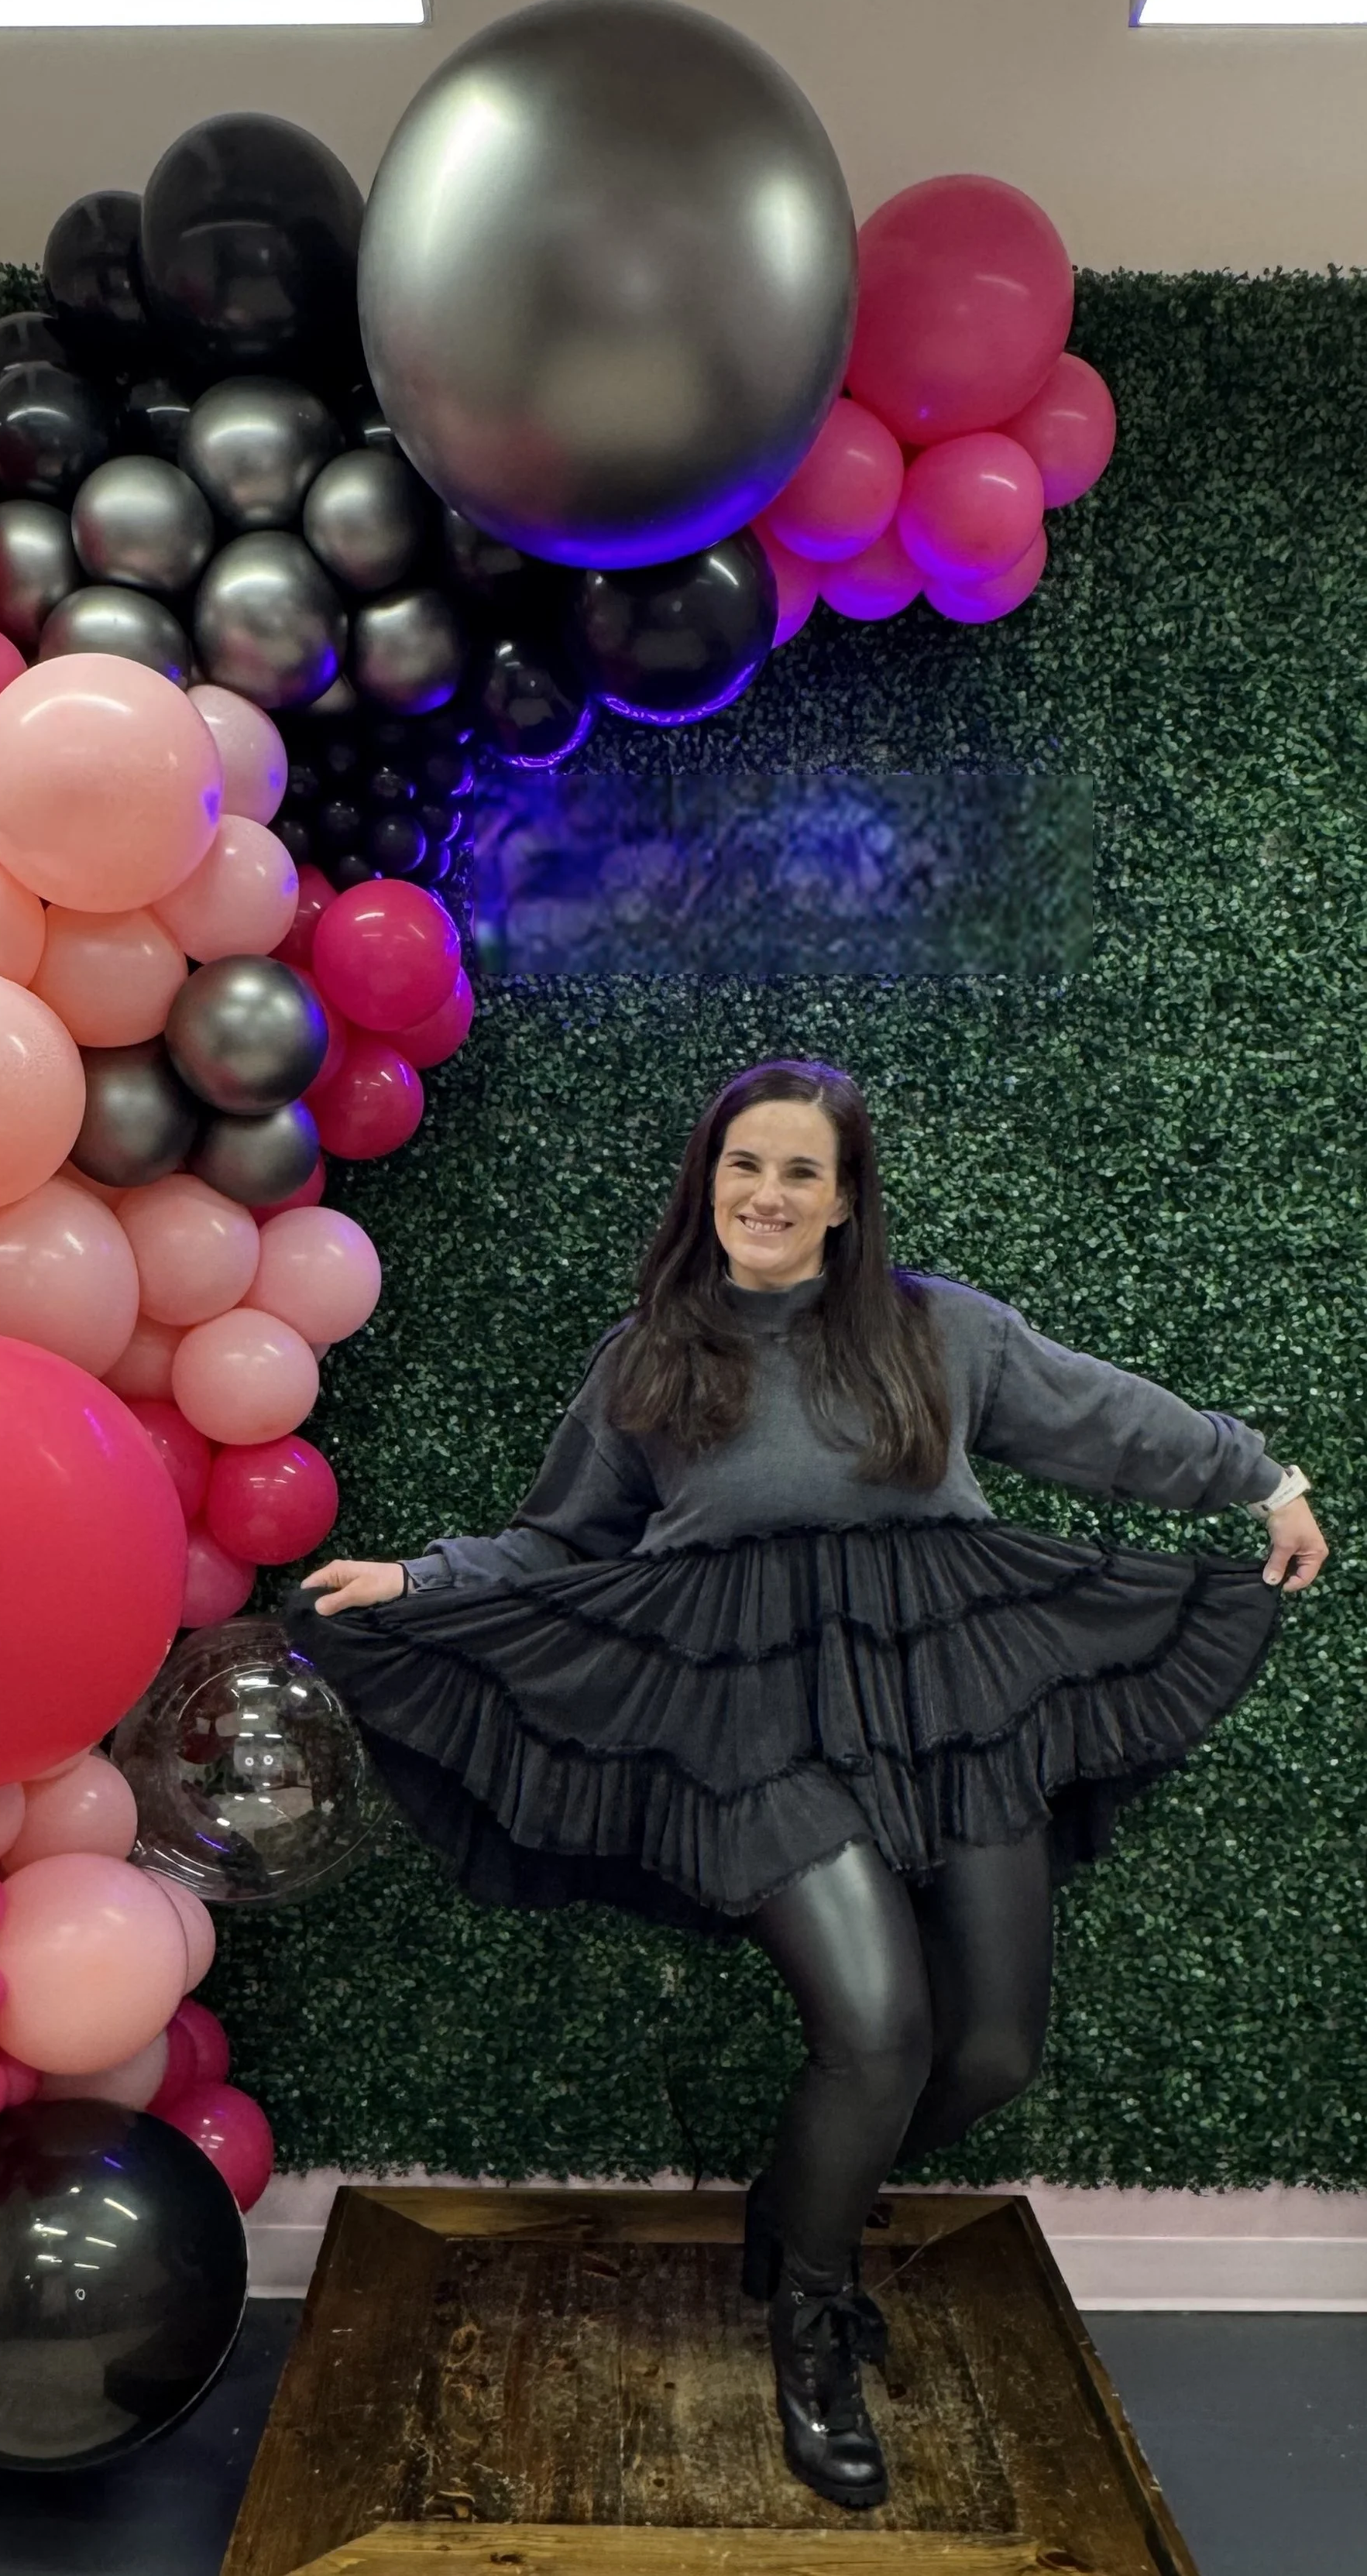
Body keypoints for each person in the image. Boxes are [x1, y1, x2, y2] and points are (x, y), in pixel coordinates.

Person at [283, 1057, 1326, 2513]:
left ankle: (794, 2213)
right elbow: (559, 1540)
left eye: (799, 1174)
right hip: (747, 1719)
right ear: (709, 1181)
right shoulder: (649, 1352)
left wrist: (1260, 1478)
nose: (766, 1196)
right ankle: (811, 2328)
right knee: (879, 2029)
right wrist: (420, 1578)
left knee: (993, 2051)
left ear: (844, 1204)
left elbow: (1104, 1422)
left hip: (950, 1694)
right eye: (744, 1166)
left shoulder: (939, 1333)